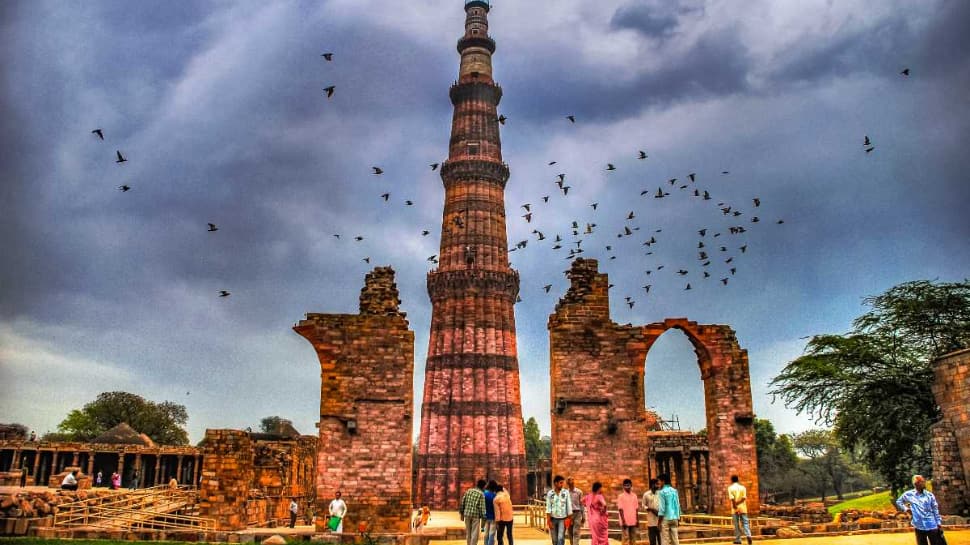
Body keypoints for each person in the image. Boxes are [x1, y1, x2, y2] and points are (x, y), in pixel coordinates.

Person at [895, 475, 945, 545]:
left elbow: (935, 509)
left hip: (931, 524)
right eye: (922, 481)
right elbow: (899, 502)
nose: (924, 483)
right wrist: (906, 509)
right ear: (916, 484)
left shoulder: (929, 495)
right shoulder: (909, 494)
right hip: (919, 525)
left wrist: (938, 523)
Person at [546, 475, 572, 545]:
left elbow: (569, 505)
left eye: (562, 483)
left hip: (562, 519)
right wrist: (548, 521)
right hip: (553, 519)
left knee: (560, 538)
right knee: (554, 540)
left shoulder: (565, 493)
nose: (562, 485)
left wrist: (569, 518)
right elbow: (548, 507)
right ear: (555, 483)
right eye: (560, 483)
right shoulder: (550, 494)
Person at [459, 479, 487, 545]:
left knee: (468, 532)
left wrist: (461, 513)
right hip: (475, 516)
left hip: (467, 514)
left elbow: (463, 502)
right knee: (475, 533)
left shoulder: (469, 491)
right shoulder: (481, 494)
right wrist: (483, 521)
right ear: (483, 487)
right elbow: (482, 508)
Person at [656, 474, 681, 545]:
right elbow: (677, 505)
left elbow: (662, 509)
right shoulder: (674, 491)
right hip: (674, 518)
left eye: (659, 482)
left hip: (665, 518)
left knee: (665, 540)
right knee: (675, 539)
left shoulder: (662, 492)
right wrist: (678, 518)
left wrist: (659, 522)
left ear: (663, 481)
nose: (658, 484)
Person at [728, 475, 752, 545]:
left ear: (731, 480)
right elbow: (744, 498)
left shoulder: (730, 488)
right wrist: (738, 503)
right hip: (743, 507)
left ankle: (738, 539)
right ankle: (748, 535)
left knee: (736, 524)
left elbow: (732, 498)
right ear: (738, 480)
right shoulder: (743, 487)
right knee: (745, 523)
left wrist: (735, 505)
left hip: (734, 508)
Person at [617, 478, 639, 545]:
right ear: (623, 486)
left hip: (633, 520)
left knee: (633, 538)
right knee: (625, 539)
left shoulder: (634, 496)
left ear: (631, 485)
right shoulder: (621, 496)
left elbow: (636, 509)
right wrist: (623, 521)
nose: (627, 487)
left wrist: (637, 520)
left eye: (628, 485)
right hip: (625, 521)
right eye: (625, 485)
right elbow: (620, 509)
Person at [642, 478, 661, 545]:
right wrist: (651, 509)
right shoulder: (646, 494)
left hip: (659, 520)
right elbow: (643, 505)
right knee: (652, 540)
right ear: (652, 485)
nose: (658, 486)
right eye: (657, 484)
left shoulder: (660, 494)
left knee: (660, 540)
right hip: (651, 521)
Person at [566, 478, 584, 545]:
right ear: (568, 484)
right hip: (568, 515)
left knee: (576, 532)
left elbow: (581, 504)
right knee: (570, 532)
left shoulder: (579, 492)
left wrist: (583, 516)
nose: (571, 483)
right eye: (570, 482)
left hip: (577, 513)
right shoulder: (565, 493)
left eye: (572, 481)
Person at [484, 480, 499, 545]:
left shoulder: (484, 494)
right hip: (493, 517)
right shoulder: (495, 495)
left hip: (486, 516)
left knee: (486, 533)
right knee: (492, 534)